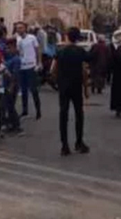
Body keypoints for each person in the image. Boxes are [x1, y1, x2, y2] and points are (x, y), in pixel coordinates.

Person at [51, 27, 90, 156]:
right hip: (76, 86)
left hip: (64, 87)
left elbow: (53, 69)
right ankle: (79, 142)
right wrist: (86, 88)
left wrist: (57, 81)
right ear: (78, 38)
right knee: (79, 114)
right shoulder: (81, 51)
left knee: (63, 114)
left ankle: (64, 146)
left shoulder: (60, 51)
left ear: (67, 36)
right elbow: (84, 70)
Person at [16, 22, 42, 119]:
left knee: (34, 90)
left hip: (31, 66)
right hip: (21, 67)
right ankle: (25, 110)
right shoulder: (17, 39)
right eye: (18, 28)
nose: (19, 30)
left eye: (21, 28)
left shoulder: (32, 38)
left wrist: (39, 62)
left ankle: (38, 110)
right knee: (23, 90)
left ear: (25, 28)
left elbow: (37, 50)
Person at [3, 39, 23, 134]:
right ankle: (11, 124)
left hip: (12, 85)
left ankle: (16, 125)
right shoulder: (9, 58)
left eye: (10, 48)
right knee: (8, 105)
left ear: (15, 48)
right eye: (7, 48)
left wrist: (11, 86)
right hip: (7, 84)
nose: (8, 50)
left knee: (10, 105)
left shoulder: (16, 60)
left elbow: (15, 74)